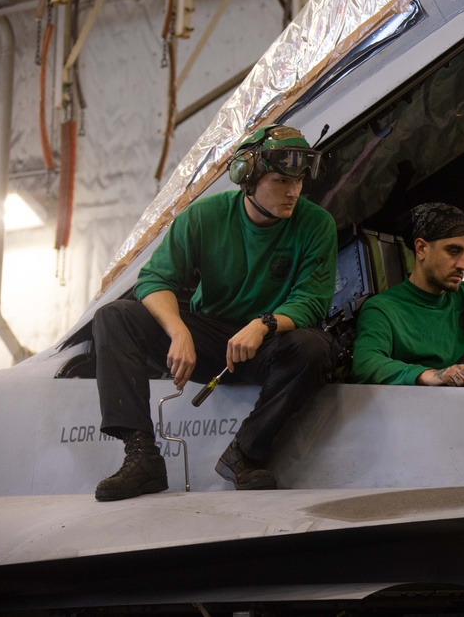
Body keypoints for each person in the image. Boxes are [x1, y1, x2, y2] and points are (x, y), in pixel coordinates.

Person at [93, 124, 338, 501]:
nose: (293, 191)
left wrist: (264, 324)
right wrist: (178, 331)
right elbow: (154, 280)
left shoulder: (316, 224)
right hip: (207, 338)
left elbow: (312, 301)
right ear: (247, 177)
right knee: (114, 317)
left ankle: (245, 454)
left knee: (314, 347)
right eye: (281, 180)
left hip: (265, 345)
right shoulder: (204, 216)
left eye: (299, 180)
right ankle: (141, 457)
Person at [351, 202, 464, 388]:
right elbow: (365, 364)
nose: (463, 265)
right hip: (418, 410)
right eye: (453, 251)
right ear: (421, 249)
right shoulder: (382, 309)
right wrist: (428, 374)